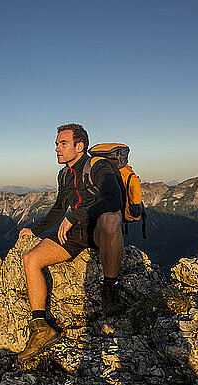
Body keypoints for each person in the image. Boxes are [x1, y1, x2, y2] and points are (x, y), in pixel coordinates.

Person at [17, 123, 124, 362]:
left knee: (111, 221)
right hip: (75, 233)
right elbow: (58, 208)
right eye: (56, 144)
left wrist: (76, 215)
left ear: (80, 146)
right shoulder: (64, 174)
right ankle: (40, 327)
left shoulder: (98, 166)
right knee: (30, 259)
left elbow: (113, 198)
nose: (56, 149)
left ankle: (110, 287)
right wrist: (35, 230)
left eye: (62, 144)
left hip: (98, 229)